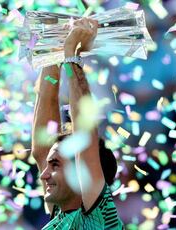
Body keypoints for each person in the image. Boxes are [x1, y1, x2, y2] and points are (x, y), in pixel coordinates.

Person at [31, 17, 124, 229]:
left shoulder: (96, 218)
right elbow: (41, 149)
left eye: (55, 165)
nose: (44, 174)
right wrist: (52, 56)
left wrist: (72, 54)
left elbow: (85, 134)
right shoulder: (63, 213)